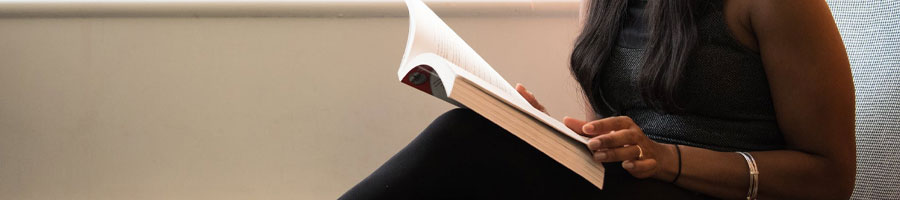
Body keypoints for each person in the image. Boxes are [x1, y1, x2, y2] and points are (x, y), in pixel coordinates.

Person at [341, 0, 855, 199]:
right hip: (637, 187)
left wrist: (666, 159)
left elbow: (831, 175)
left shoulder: (779, 4)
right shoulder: (607, 3)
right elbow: (614, 135)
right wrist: (544, 133)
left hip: (716, 193)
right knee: (490, 138)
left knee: (466, 143)